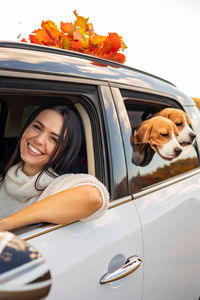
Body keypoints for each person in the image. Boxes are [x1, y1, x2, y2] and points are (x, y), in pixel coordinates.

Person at [0, 103, 109, 231]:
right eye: (37, 127)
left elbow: (93, 197)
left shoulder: (56, 187)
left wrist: (4, 225)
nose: (39, 140)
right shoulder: (5, 172)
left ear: (63, 151)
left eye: (53, 139)